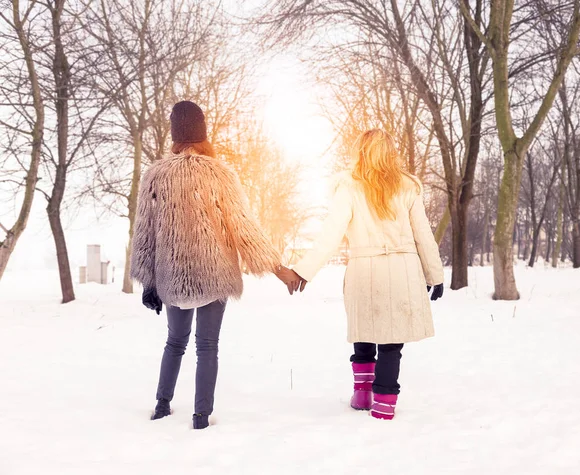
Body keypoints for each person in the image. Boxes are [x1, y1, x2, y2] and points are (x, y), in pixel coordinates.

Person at [130, 101, 300, 429]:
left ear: (175, 135)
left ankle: (162, 405)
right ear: (203, 133)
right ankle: (200, 417)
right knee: (207, 345)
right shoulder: (220, 174)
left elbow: (145, 233)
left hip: (172, 275)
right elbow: (243, 226)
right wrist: (279, 269)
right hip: (215, 273)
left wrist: (149, 282)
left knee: (174, 341)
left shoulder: (155, 175)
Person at [292, 129, 444, 421]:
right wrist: (434, 274)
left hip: (364, 270)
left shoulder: (349, 187)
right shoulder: (407, 187)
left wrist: (304, 269)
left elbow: (331, 235)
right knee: (391, 339)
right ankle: (385, 404)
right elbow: (423, 234)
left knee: (365, 329)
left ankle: (363, 395)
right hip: (403, 271)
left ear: (360, 152)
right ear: (390, 152)